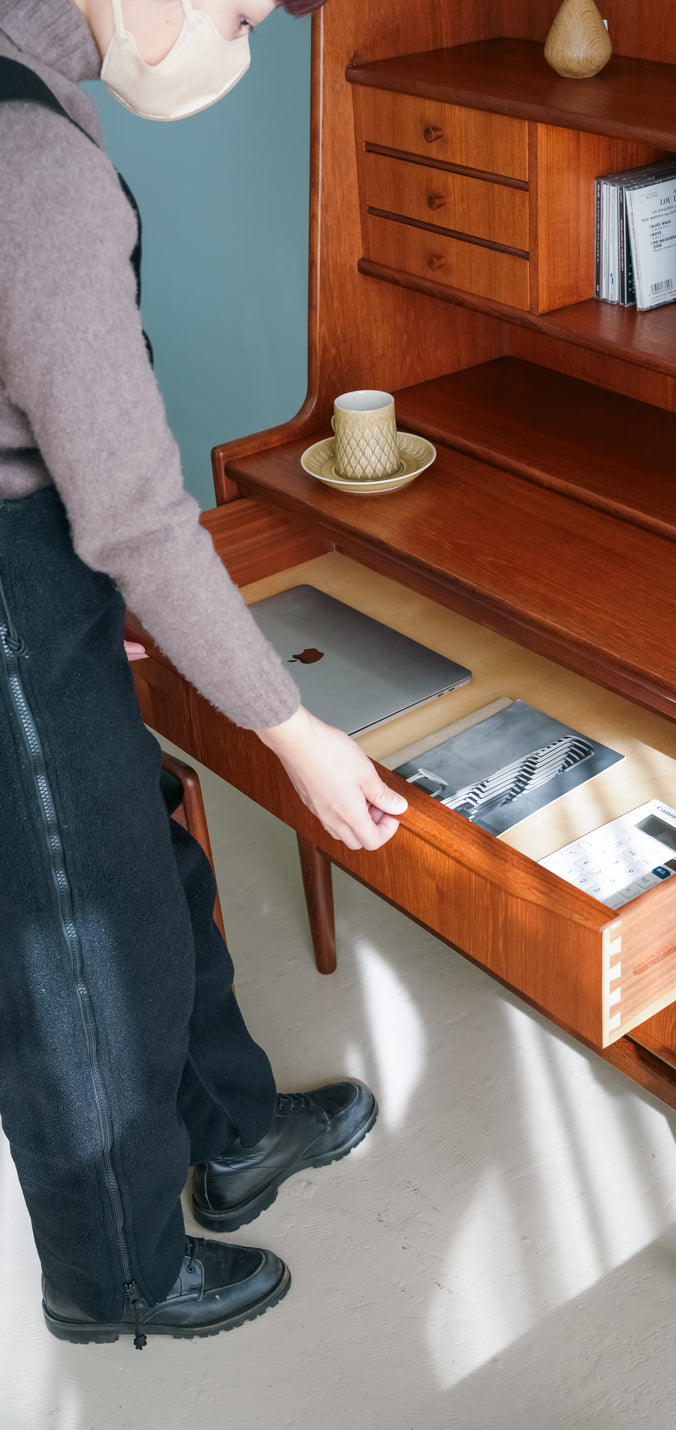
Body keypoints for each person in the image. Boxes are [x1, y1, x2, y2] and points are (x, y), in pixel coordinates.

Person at [0, 0, 408, 1347]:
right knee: (80, 952)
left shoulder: (34, 78)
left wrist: (85, 589)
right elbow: (133, 514)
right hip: (13, 576)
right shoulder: (39, 162)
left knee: (154, 865)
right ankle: (112, 1277)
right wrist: (296, 733)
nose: (247, 31)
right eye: (241, 6)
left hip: (34, 557)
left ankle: (229, 1130)